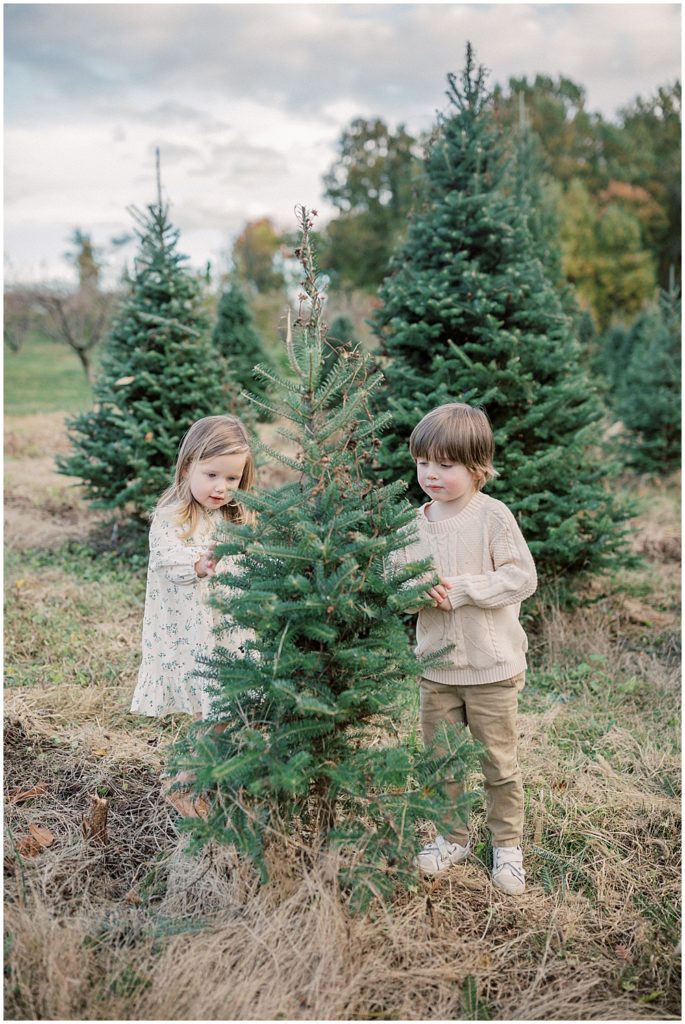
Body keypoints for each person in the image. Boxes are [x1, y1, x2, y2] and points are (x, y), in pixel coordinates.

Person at [393, 402, 537, 895]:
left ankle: (507, 846)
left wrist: (464, 589)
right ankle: (451, 836)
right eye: (422, 463)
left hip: (491, 667)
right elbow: (393, 582)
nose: (430, 474)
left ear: (477, 467)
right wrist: (416, 591)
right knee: (442, 760)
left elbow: (521, 578)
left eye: (445, 465)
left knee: (498, 762)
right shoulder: (414, 524)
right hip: (437, 669)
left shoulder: (492, 516)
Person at [130, 414, 255, 813]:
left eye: (232, 479)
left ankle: (212, 782)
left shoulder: (236, 518)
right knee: (215, 711)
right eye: (212, 474)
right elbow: (170, 560)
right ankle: (182, 783)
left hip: (230, 632)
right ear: (187, 468)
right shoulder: (171, 518)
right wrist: (201, 564)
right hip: (194, 636)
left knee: (228, 712)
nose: (222, 487)